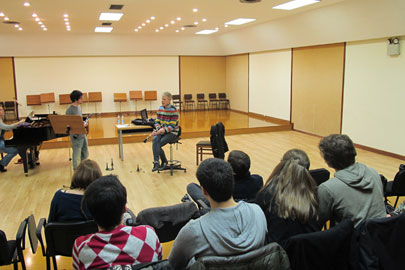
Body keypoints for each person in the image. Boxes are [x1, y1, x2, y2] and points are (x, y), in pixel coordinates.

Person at [168, 158, 267, 270]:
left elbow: (171, 266)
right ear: (232, 182)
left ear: (203, 191)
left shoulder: (193, 231)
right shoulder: (257, 211)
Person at [72, 175, 162, 269]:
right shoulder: (148, 234)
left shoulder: (81, 246)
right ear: (124, 209)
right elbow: (158, 264)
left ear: (91, 213)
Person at [255, 149, 322, 246]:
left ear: (281, 165)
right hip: (309, 253)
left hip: (278, 255)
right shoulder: (315, 193)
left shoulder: (267, 194)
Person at [318, 134, 386, 227]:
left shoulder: (328, 188)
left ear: (328, 161)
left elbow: (319, 220)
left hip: (353, 239)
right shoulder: (373, 172)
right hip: (384, 234)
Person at [187, 150, 263, 206]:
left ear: (232, 171)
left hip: (217, 206)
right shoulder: (259, 180)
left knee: (191, 186)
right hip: (247, 206)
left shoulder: (226, 186)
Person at [151, 91, 179, 172]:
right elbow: (157, 121)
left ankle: (164, 161)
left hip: (172, 132)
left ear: (169, 100)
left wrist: (161, 131)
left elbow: (172, 126)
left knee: (158, 144)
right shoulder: (160, 108)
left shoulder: (174, 110)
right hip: (162, 130)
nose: (162, 101)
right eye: (162, 99)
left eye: (164, 99)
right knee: (154, 140)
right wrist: (158, 128)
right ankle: (156, 163)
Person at [66, 90, 89, 171]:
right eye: (81, 98)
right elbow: (69, 124)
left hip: (82, 133)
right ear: (76, 99)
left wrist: (82, 123)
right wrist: (80, 125)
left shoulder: (79, 107)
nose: (82, 99)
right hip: (76, 135)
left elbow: (78, 120)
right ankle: (76, 172)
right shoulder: (70, 110)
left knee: (85, 153)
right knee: (77, 155)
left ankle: (82, 169)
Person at [0, 105, 25, 172]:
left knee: (16, 147)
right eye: (0, 110)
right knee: (14, 150)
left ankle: (29, 158)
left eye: (2, 109)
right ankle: (1, 164)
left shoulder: (0, 119)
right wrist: (19, 123)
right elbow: (7, 127)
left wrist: (15, 126)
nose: (2, 111)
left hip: (1, 140)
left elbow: (6, 129)